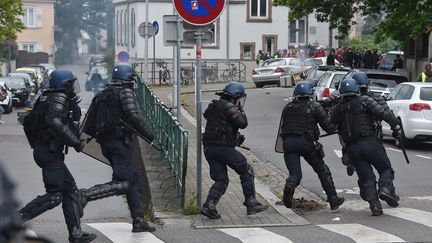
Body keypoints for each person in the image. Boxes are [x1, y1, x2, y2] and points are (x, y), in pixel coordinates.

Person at [18, 69, 96, 243]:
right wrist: (76, 142)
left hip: (46, 151)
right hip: (48, 152)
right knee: (55, 195)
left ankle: (75, 234)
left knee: (71, 191)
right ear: (64, 84)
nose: (72, 88)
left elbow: (34, 122)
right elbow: (55, 122)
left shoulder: (47, 96)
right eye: (70, 84)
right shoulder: (59, 97)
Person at [81, 63, 156, 233]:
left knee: (132, 180)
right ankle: (85, 195)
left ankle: (138, 221)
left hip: (107, 145)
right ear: (128, 78)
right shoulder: (125, 92)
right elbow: (133, 116)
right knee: (125, 182)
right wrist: (150, 136)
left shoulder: (101, 95)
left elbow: (88, 127)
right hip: (120, 143)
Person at [331, 78, 401, 216]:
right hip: (370, 142)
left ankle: (374, 205)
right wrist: (395, 126)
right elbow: (384, 114)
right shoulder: (365, 101)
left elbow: (330, 125)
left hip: (353, 148)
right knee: (385, 169)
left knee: (367, 178)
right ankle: (385, 188)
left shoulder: (338, 108)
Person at [201, 81, 268, 219]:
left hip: (209, 149)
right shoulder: (229, 107)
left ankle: (209, 206)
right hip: (222, 148)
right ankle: (251, 202)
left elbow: (211, 117)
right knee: (246, 169)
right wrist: (239, 109)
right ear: (234, 97)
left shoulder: (215, 105)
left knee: (221, 179)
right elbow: (242, 123)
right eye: (238, 98)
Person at [279, 81, 344, 210]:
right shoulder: (314, 106)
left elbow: (283, 127)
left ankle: (290, 186)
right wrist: (337, 125)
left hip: (288, 144)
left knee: (295, 175)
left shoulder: (288, 107)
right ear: (310, 93)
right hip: (306, 144)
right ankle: (333, 199)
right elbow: (329, 127)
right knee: (322, 170)